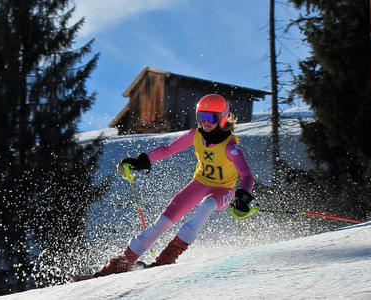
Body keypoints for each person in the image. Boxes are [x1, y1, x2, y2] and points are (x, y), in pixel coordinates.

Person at [96, 94, 254, 276]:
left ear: (223, 117)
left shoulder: (229, 146)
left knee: (207, 205)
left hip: (224, 190)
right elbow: (167, 149)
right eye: (201, 117)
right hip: (199, 183)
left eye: (211, 118)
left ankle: (169, 254)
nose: (205, 122)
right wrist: (142, 160)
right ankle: (123, 261)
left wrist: (243, 196)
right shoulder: (196, 135)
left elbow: (246, 175)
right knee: (162, 223)